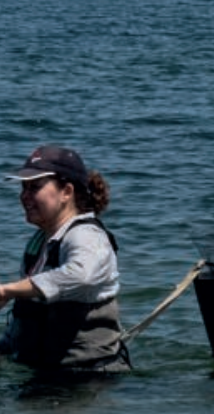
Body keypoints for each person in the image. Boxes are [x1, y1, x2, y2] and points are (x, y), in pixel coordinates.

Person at [0, 146, 130, 375]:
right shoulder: (40, 241)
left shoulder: (87, 236)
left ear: (66, 192)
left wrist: (8, 290)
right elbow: (26, 315)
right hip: (43, 374)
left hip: (86, 379)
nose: (24, 196)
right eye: (23, 187)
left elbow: (81, 275)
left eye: (34, 187)